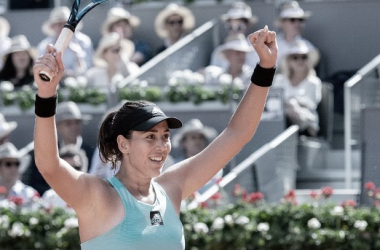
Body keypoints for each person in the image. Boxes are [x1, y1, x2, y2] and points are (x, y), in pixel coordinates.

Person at [32, 26, 277, 248]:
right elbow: (49, 165)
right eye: (150, 137)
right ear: (123, 143)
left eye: (165, 136)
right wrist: (46, 94)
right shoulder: (98, 195)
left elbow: (238, 133)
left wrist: (265, 68)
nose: (162, 145)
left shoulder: (171, 187)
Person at [26, 101, 94, 195]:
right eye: (68, 123)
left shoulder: (92, 153)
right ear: (57, 126)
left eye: (77, 122)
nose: (74, 127)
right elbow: (37, 183)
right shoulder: (46, 152)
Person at [273, 39, 322, 137]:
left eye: (304, 57)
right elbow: (274, 100)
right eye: (295, 57)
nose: (300, 61)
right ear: (289, 62)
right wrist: (290, 105)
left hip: (306, 126)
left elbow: (311, 104)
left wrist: (293, 104)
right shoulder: (280, 80)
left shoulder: (313, 82)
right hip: (279, 123)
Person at [37, 6, 94, 81]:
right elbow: (39, 69)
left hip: (81, 84)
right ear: (53, 27)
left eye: (66, 23)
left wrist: (78, 56)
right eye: (58, 24)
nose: (63, 27)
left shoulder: (83, 41)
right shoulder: (44, 45)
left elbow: (89, 68)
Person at [171, 119, 221, 194]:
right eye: (193, 138)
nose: (197, 141)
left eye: (200, 138)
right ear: (184, 142)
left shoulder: (214, 165)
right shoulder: (174, 166)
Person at [210, 2, 259, 70]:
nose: (234, 30)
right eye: (230, 27)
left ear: (248, 26)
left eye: (239, 27)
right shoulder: (219, 51)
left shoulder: (255, 50)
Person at [275, 1, 319, 68]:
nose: (297, 24)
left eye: (300, 20)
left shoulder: (308, 47)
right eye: (292, 20)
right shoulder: (271, 45)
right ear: (282, 23)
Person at [42, 145, 88, 210]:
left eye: (75, 168)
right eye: (66, 169)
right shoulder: (49, 196)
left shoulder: (90, 195)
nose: (71, 173)